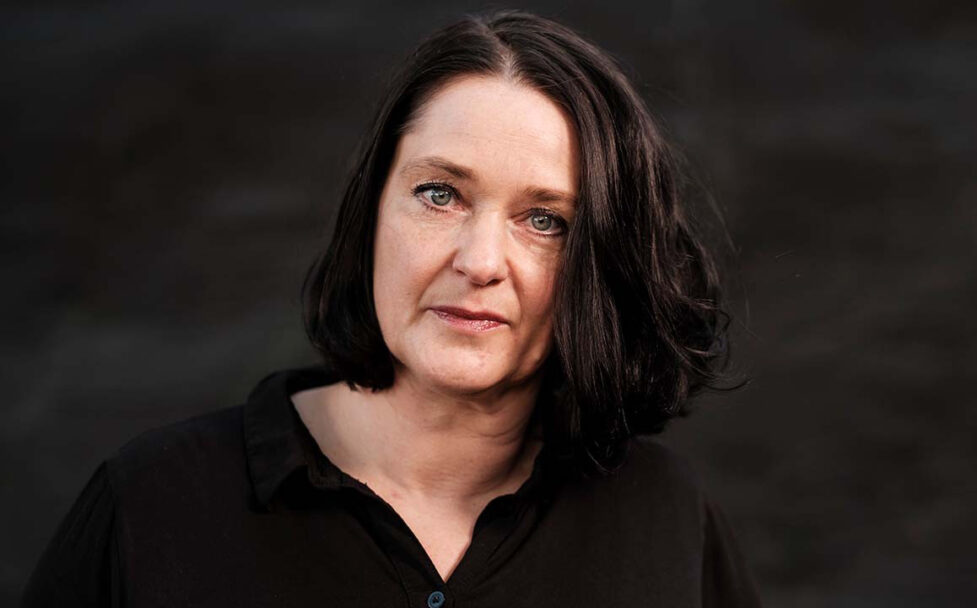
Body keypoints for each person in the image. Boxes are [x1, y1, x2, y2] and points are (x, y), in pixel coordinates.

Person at [24, 10, 760, 607]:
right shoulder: (152, 502)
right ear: (371, 211)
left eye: (545, 220)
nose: (479, 262)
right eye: (440, 195)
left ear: (604, 261)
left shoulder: (666, 516)